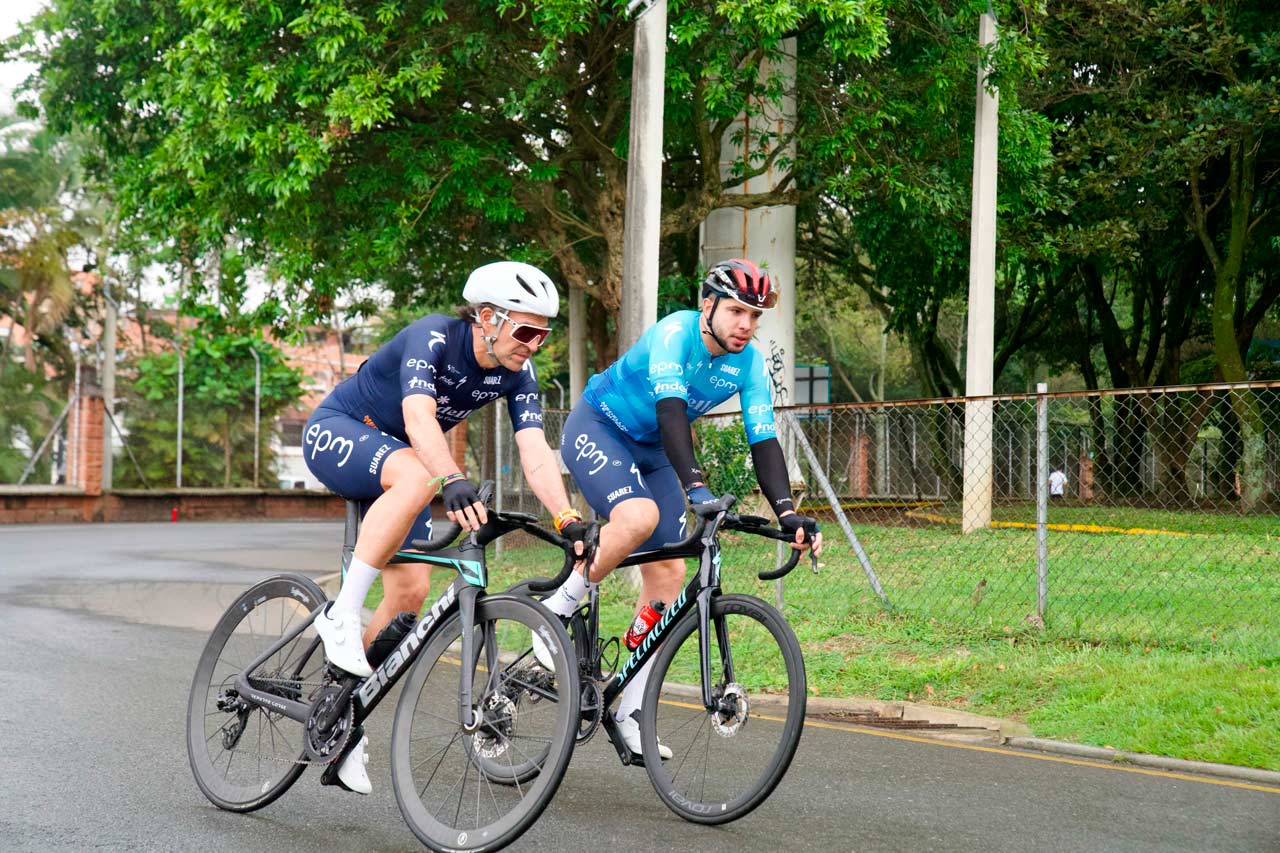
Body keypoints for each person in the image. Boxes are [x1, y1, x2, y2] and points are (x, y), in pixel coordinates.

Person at [303, 261, 591, 794]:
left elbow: (534, 450)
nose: (533, 345)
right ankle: (341, 613)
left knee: (409, 596)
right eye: (526, 331)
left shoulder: (517, 373)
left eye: (543, 335)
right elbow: (418, 417)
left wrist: (567, 516)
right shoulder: (433, 336)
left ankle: (339, 714)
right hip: (341, 431)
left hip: (406, 465)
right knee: (420, 476)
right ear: (488, 318)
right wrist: (452, 477)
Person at [540, 258, 822, 760]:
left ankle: (629, 710)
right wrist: (695, 488)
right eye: (736, 311)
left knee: (669, 576)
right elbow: (671, 413)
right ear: (707, 305)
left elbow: (763, 441)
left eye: (755, 316)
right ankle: (557, 606)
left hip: (652, 452)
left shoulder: (749, 365)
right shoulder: (675, 334)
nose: (746, 325)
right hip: (599, 427)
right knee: (638, 518)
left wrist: (787, 514)